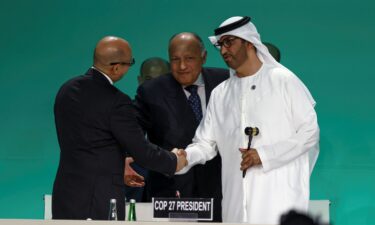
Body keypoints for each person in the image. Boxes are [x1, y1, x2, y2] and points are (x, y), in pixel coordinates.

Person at [177, 16, 320, 224]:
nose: (224, 51)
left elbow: (309, 133)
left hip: (278, 199)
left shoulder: (283, 80)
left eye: (229, 42)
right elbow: (205, 143)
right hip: (235, 204)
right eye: (220, 45)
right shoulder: (221, 93)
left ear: (249, 42)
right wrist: (184, 157)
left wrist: (263, 155)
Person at [52, 36, 186, 220]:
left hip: (65, 196)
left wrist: (116, 166)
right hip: (99, 201)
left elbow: (90, 144)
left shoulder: (66, 90)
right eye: (129, 63)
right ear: (116, 67)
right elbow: (141, 151)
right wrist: (173, 161)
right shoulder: (117, 101)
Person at [133, 32, 229, 221]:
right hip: (171, 192)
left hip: (221, 190)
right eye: (175, 60)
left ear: (204, 57)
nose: (182, 66)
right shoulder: (151, 91)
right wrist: (126, 157)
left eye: (189, 58)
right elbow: (133, 131)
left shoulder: (226, 82)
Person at [125, 57, 170, 202]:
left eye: (161, 79)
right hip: (131, 191)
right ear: (140, 80)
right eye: (149, 79)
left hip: (168, 190)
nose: (154, 85)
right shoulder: (123, 112)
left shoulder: (182, 113)